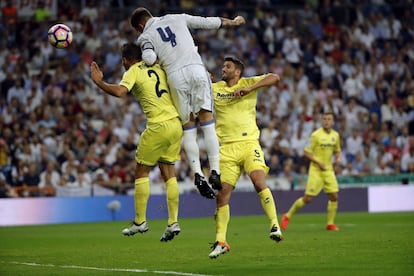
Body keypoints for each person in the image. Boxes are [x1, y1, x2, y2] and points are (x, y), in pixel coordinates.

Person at [130, 7, 246, 199]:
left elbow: (149, 58)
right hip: (196, 69)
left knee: (189, 126)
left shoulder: (145, 37)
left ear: (140, 26)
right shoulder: (177, 17)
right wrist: (233, 22)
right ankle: (215, 171)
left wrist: (155, 55)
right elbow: (209, 22)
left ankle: (198, 174)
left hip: (175, 76)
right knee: (207, 121)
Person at [90, 43, 183, 242]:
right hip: (176, 124)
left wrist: (100, 83)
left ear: (125, 60)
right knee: (169, 172)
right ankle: (173, 222)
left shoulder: (133, 70)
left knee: (141, 171)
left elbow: (120, 93)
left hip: (158, 125)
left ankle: (140, 222)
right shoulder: (158, 67)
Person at [208, 56, 283, 259]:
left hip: (249, 144)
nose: (224, 68)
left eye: (228, 66)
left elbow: (275, 77)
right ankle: (221, 241)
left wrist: (249, 89)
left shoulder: (249, 83)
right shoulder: (215, 89)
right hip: (227, 149)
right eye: (223, 65)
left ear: (238, 72)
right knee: (222, 196)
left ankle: (275, 225)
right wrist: (203, 79)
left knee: (259, 181)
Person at [281, 111, 342, 231]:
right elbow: (306, 152)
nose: (327, 121)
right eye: (324, 119)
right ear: (321, 121)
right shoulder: (316, 135)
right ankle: (287, 216)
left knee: (334, 196)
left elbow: (337, 150)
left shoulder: (336, 135)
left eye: (329, 119)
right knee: (308, 199)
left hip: (328, 170)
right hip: (316, 170)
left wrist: (338, 159)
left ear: (333, 122)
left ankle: (330, 223)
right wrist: (318, 162)